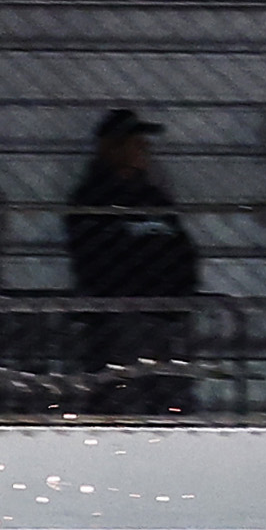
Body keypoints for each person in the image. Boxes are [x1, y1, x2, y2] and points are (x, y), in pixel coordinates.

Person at [64, 106, 198, 412]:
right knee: (121, 399)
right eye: (136, 144)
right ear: (113, 147)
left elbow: (183, 251)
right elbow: (101, 260)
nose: (145, 151)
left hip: (163, 320)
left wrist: (176, 293)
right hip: (117, 322)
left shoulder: (153, 198)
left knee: (167, 400)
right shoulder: (92, 199)